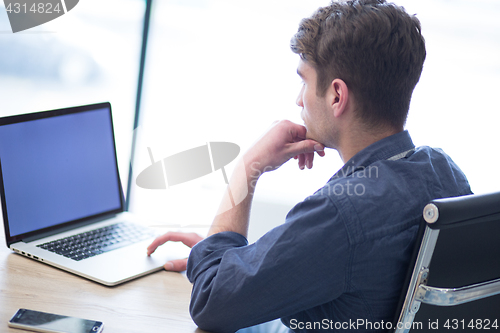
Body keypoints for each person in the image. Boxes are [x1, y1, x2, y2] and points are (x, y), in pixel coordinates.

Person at [147, 0, 472, 332]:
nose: (299, 99)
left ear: (336, 96)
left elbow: (211, 302)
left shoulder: (340, 213)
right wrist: (235, 263)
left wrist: (249, 167)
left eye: (304, 80)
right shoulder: (445, 171)